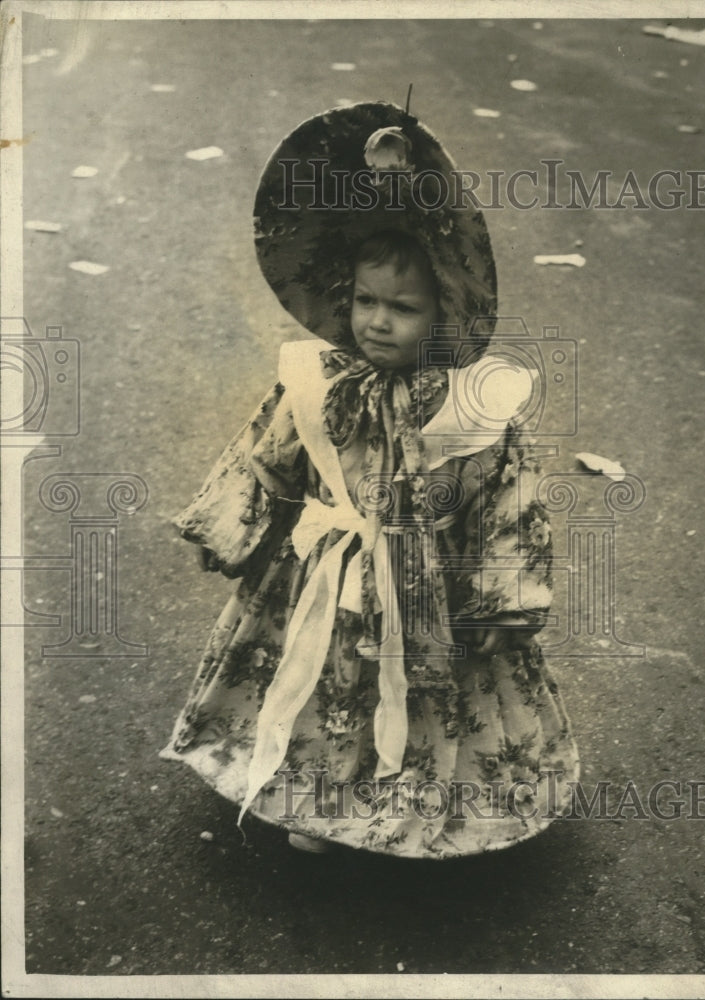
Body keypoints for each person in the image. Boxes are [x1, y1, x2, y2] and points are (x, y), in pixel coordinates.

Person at [161, 102, 579, 858]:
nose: (376, 322)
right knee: (323, 680)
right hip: (324, 572)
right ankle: (317, 800)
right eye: (364, 301)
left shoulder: (470, 402)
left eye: (402, 308)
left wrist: (502, 594)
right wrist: (232, 529)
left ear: (444, 311)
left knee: (428, 698)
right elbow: (267, 456)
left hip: (429, 589)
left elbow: (508, 496)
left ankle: (419, 801)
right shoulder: (316, 380)